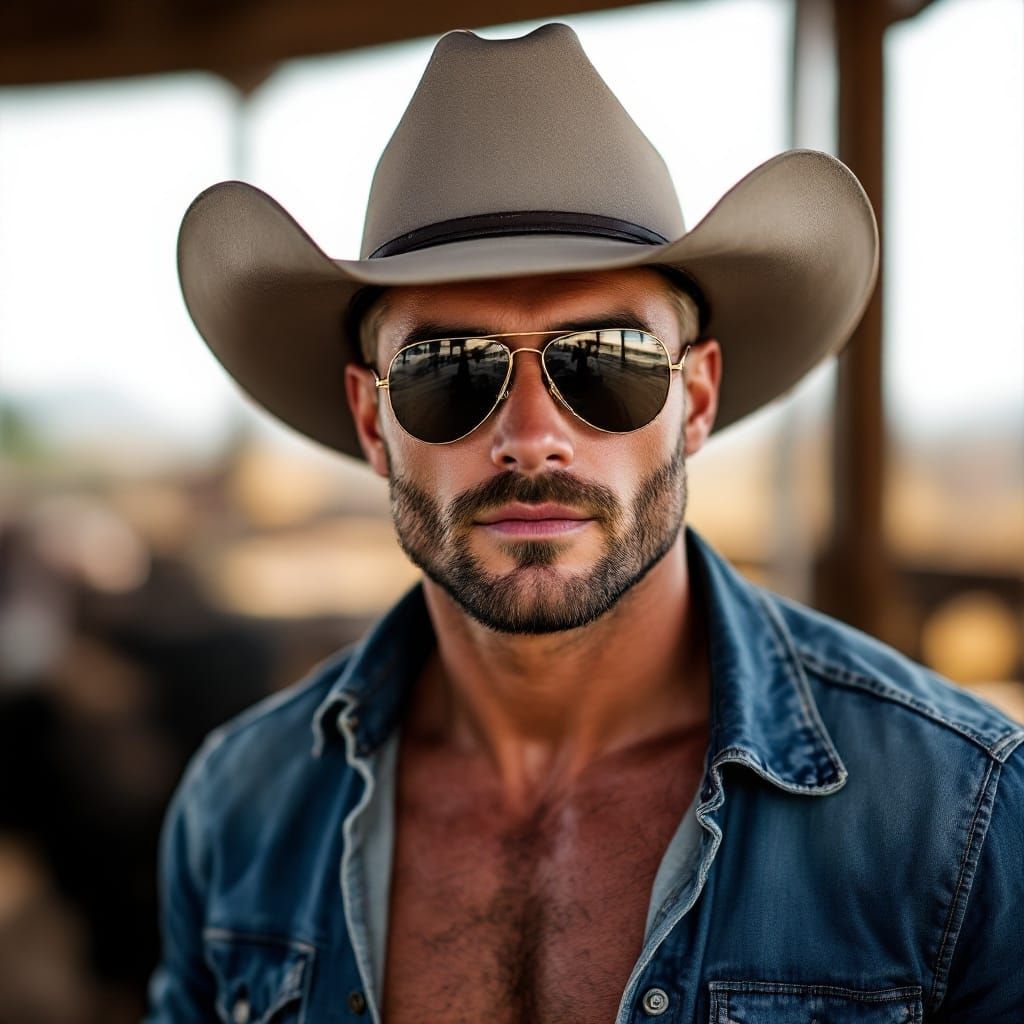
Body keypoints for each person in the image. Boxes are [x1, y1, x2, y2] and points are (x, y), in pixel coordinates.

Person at [147, 24, 1024, 1024]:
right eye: (449, 373)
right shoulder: (240, 811)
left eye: (605, 359)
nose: (531, 437)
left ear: (695, 402)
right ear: (370, 419)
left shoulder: (960, 816)